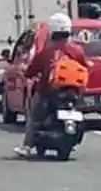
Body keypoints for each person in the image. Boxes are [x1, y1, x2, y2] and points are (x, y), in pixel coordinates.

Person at [14, 13, 89, 158]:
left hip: (47, 91)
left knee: (33, 116)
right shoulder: (77, 51)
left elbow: (31, 71)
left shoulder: (46, 52)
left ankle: (27, 146)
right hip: (74, 93)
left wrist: (27, 74)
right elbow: (85, 67)